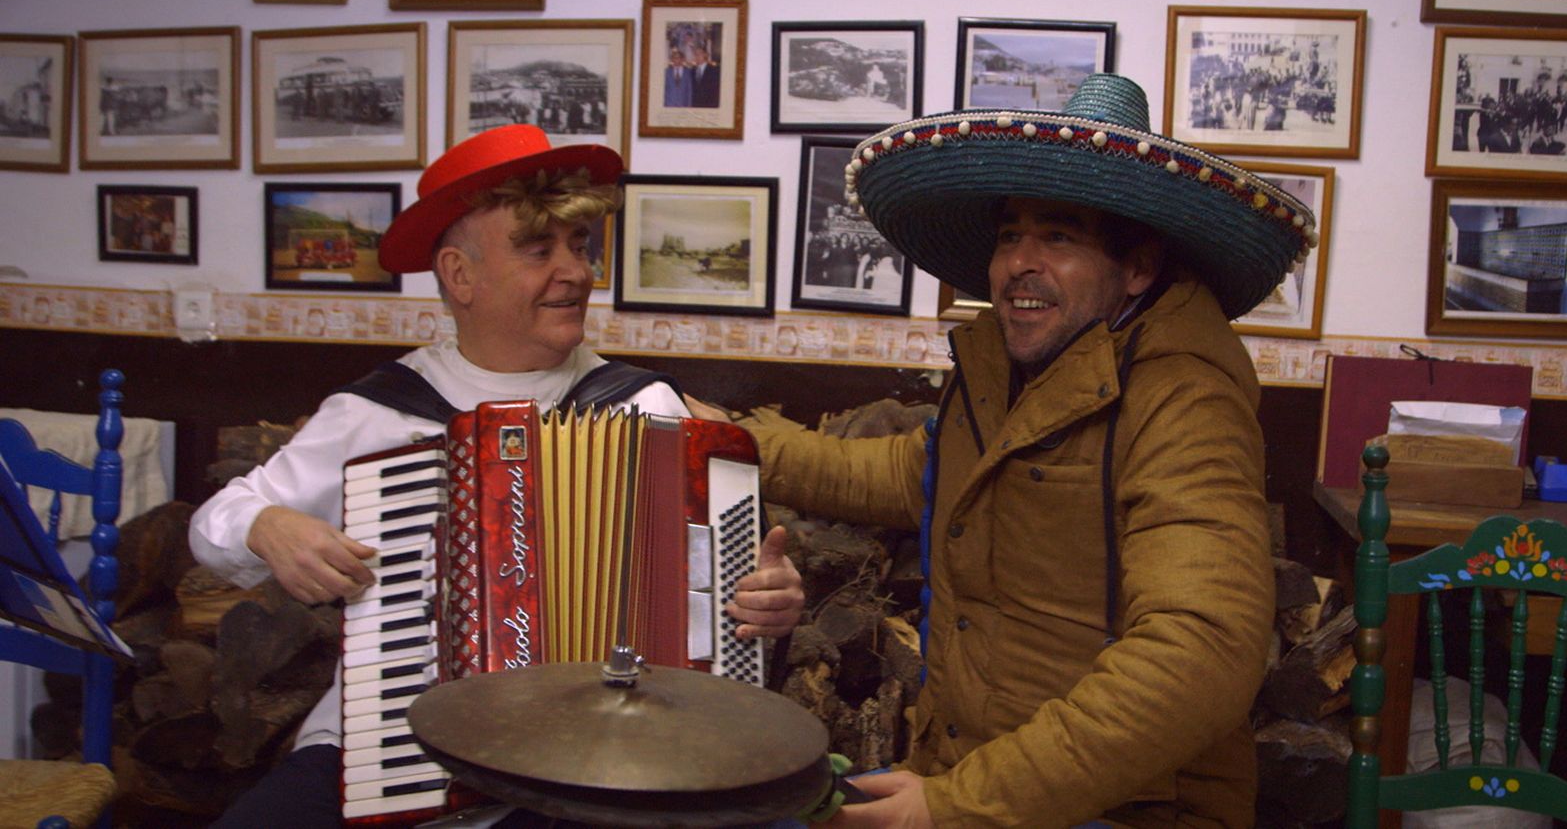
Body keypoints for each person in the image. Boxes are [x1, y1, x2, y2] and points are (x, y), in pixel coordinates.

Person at [726, 74, 1314, 827]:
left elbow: (1200, 651)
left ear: (1137, 267)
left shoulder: (1184, 400)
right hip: (973, 777)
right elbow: (911, 473)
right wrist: (735, 439)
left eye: (1059, 236)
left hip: (1126, 808)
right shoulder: (1017, 374)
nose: (1018, 264)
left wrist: (952, 807)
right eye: (1010, 235)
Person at [191, 124, 805, 828]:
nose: (576, 273)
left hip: (610, 757)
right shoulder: (375, 414)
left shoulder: (646, 410)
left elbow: (718, 620)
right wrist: (266, 525)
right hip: (394, 748)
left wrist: (765, 606)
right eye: (539, 249)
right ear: (460, 275)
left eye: (579, 246)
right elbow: (215, 525)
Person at [690, 42, 721, 108]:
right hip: (695, 106)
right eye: (695, 54)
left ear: (705, 55)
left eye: (699, 54)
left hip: (709, 105)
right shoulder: (692, 71)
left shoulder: (714, 70)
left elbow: (716, 90)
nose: (697, 56)